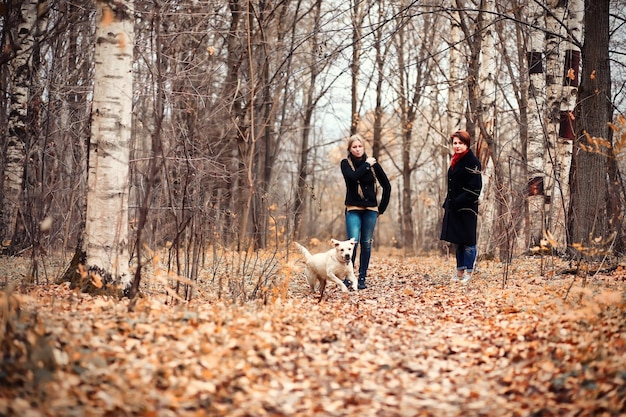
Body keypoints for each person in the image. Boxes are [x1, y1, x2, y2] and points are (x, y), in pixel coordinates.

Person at [340, 134, 391, 289]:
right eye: (354, 147)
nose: (357, 149)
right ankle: (349, 277)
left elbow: (387, 186)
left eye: (360, 146)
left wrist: (381, 209)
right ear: (349, 149)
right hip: (353, 209)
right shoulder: (345, 163)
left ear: (363, 147)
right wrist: (367, 165)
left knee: (366, 243)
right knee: (352, 243)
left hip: (370, 210)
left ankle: (362, 278)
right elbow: (353, 177)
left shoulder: (374, 164)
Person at [440, 130, 483, 283]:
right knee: (457, 240)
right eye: (455, 143)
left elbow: (475, 188)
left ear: (466, 144)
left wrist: (458, 201)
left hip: (467, 208)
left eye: (460, 143)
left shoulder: (473, 162)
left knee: (469, 241)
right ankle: (459, 272)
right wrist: (449, 203)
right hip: (454, 208)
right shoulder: (455, 160)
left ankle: (469, 274)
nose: (457, 146)